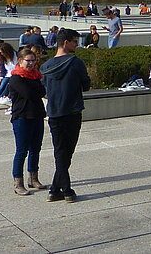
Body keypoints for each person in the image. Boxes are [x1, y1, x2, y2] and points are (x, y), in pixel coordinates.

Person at [40, 28, 90, 202]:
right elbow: (86, 85)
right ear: (66, 42)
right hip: (72, 112)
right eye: (75, 41)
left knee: (61, 152)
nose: (77, 44)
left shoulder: (45, 67)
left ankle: (55, 189)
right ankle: (67, 190)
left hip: (54, 113)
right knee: (66, 153)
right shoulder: (75, 62)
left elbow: (43, 89)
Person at [6, 48, 48, 196]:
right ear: (20, 61)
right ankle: (18, 183)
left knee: (36, 148)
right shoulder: (16, 78)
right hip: (22, 117)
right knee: (21, 151)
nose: (31, 63)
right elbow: (29, 94)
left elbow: (42, 92)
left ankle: (33, 178)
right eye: (27, 60)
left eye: (33, 60)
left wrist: (37, 91)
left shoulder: (35, 76)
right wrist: (36, 91)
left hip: (37, 116)